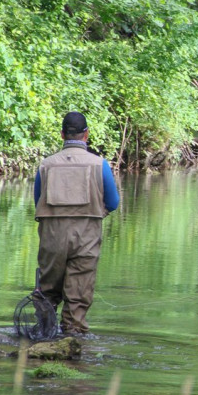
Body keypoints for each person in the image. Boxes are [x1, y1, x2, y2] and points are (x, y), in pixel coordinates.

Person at [33, 111, 120, 336]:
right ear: (86, 134)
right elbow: (113, 202)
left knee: (48, 290)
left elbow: (37, 200)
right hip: (87, 235)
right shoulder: (99, 164)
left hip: (52, 235)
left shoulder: (46, 164)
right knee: (79, 291)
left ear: (62, 134)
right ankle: (73, 337)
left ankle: (44, 334)